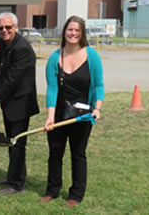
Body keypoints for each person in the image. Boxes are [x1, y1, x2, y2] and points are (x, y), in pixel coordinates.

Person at [40, 15, 104, 208]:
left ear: (82, 33)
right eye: (70, 29)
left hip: (83, 116)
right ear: (64, 32)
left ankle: (76, 193)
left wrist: (98, 109)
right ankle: (52, 189)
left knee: (78, 154)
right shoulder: (54, 57)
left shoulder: (92, 56)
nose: (73, 33)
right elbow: (52, 89)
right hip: (60, 115)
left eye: (77, 30)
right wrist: (50, 117)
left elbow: (99, 86)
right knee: (55, 152)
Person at [0, 12, 39, 196]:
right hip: (9, 101)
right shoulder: (4, 43)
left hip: (21, 103)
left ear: (16, 27)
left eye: (8, 27)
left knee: (17, 143)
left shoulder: (22, 48)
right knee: (11, 141)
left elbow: (12, 80)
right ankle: (13, 176)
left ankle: (17, 184)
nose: (4, 30)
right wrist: (0, 99)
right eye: (1, 28)